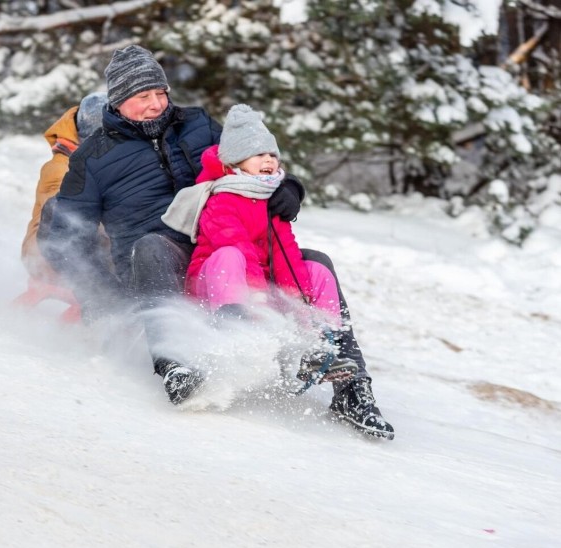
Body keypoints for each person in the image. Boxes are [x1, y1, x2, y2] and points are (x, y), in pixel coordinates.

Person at [38, 45, 394, 439]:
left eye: (162, 93)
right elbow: (64, 237)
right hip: (159, 259)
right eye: (144, 97)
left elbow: (253, 158)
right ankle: (176, 366)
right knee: (152, 247)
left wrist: (290, 188)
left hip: (229, 245)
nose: (157, 104)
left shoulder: (197, 125)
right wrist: (102, 297)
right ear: (119, 101)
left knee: (317, 263)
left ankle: (351, 386)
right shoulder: (94, 157)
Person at [161, 103, 360, 388]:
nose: (268, 160)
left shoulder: (271, 199)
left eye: (271, 154)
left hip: (258, 289)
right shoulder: (221, 199)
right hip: (218, 286)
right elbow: (237, 247)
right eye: (258, 154)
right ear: (234, 162)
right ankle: (234, 324)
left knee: (317, 271)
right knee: (230, 255)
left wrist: (298, 303)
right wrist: (259, 302)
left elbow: (284, 254)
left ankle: (322, 341)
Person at [15, 92, 108, 322]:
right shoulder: (60, 168)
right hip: (46, 253)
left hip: (65, 252)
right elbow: (65, 215)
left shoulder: (90, 162)